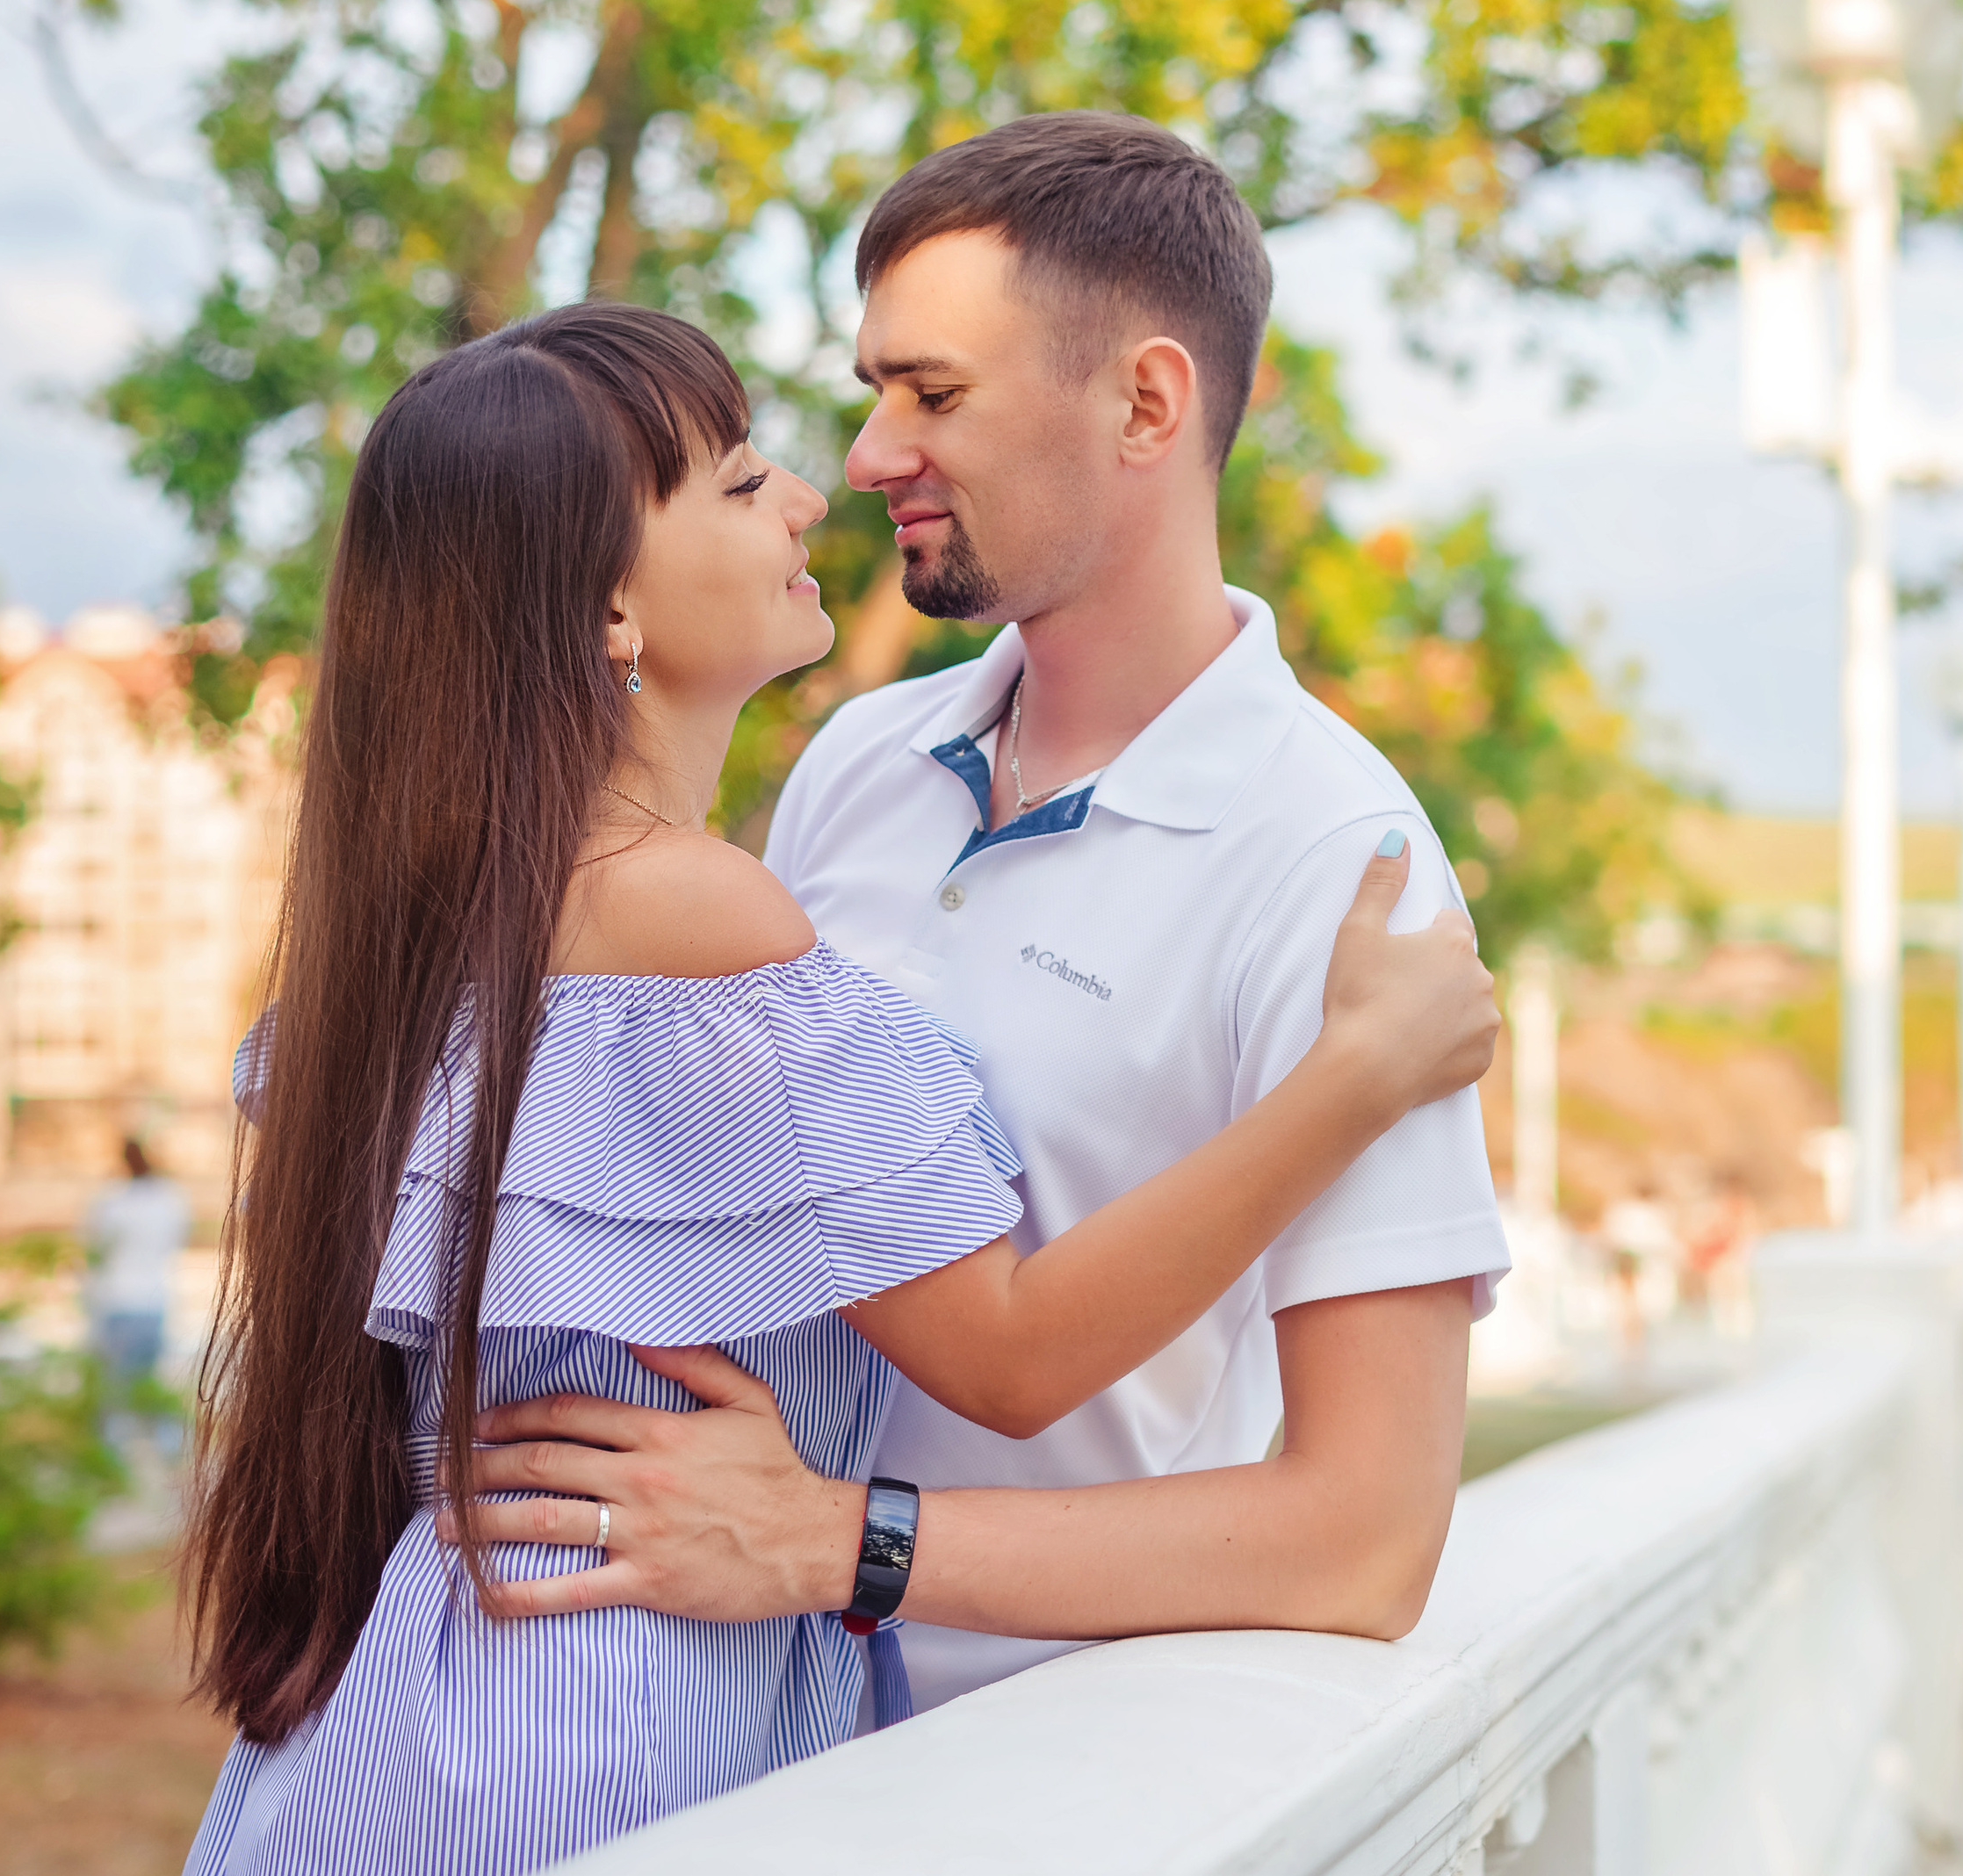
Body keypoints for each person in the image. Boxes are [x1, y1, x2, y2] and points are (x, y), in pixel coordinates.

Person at [159, 304, 1493, 1876]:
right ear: (613, 609)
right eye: (732, 481)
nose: (811, 495)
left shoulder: (438, 903)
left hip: (409, 1700)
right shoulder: (692, 909)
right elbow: (1005, 1352)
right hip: (596, 1714)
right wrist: (1359, 1072)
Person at [461, 114, 1512, 1704]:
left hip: (1041, 1795)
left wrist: (848, 1546)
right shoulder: (857, 767)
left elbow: (1363, 1540)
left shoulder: (1341, 865)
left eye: (931, 394)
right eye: (877, 389)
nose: (869, 457)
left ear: (1145, 403)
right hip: (718, 1741)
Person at [84, 1135, 189, 1399]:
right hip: (154, 1300)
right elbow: (177, 1239)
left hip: (117, 1299)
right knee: (150, 1389)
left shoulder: (112, 1201)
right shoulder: (169, 1199)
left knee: (114, 1391)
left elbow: (93, 1248)